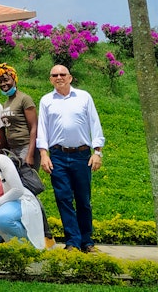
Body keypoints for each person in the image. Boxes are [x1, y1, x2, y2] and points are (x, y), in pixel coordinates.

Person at [37, 65, 104, 252]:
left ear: (70, 78)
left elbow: (95, 124)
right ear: (50, 79)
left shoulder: (84, 97)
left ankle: (87, 241)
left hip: (82, 155)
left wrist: (97, 152)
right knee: (63, 198)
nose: (59, 77)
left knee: (83, 199)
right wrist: (43, 154)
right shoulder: (46, 100)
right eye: (54, 75)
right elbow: (42, 129)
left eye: (62, 74)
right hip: (57, 156)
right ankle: (73, 241)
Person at [0, 127, 45, 249]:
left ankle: (31, 246)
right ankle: (7, 245)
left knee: (2, 218)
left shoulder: (1, 160)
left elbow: (18, 190)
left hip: (18, 201)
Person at [0, 63, 38, 167]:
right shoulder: (6, 103)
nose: (3, 84)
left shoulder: (24, 99)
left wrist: (30, 154)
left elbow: (34, 127)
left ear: (14, 79)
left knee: (26, 180)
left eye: (6, 80)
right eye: (0, 82)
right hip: (13, 148)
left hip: (26, 147)